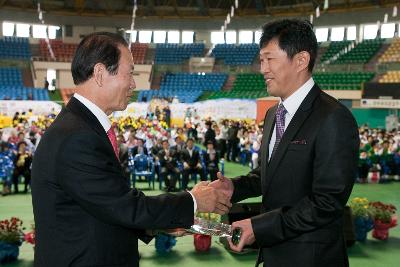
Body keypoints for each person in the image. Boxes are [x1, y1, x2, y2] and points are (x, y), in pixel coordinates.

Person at [31, 32, 231, 267]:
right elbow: (125, 207)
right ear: (100, 74)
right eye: (130, 73)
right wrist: (194, 200)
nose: (134, 84)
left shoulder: (80, 127)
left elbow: (107, 205)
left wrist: (162, 223)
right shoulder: (78, 136)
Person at [209, 19, 359, 267]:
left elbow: (327, 203)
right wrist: (235, 188)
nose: (263, 69)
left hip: (311, 259)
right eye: (261, 60)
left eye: (270, 59)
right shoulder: (274, 114)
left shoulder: (333, 117)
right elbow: (272, 172)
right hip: (275, 255)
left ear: (301, 60)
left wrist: (259, 226)